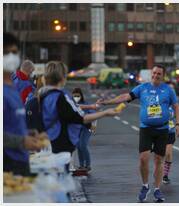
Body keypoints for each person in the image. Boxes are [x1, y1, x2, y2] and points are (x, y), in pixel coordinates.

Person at [98, 65, 179, 202]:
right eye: (154, 73)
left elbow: (176, 107)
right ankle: (145, 186)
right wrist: (107, 102)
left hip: (162, 129)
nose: (155, 75)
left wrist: (178, 124)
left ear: (163, 76)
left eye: (159, 74)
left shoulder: (168, 90)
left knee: (159, 160)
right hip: (146, 129)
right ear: (151, 74)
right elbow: (126, 96)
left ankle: (157, 189)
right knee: (143, 158)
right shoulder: (142, 88)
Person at [39, 61, 120, 155]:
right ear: (62, 77)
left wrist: (91, 106)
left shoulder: (41, 95)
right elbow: (80, 118)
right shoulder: (61, 97)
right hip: (61, 143)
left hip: (46, 140)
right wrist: (105, 113)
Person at [3, 32, 46, 176]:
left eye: (14, 52)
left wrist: (27, 133)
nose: (10, 56)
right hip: (7, 164)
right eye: (5, 52)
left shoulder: (12, 87)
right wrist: (22, 140)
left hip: (21, 161)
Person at [72, 88, 97, 173]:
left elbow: (94, 114)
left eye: (78, 96)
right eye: (74, 96)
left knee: (83, 145)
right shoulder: (71, 104)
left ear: (81, 96)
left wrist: (94, 126)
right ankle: (81, 165)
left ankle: (88, 165)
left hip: (87, 127)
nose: (76, 97)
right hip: (78, 128)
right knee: (79, 146)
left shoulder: (85, 104)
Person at [162, 82, 177, 184]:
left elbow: (178, 116)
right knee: (159, 155)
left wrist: (178, 125)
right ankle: (158, 172)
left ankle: (165, 175)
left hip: (170, 132)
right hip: (159, 131)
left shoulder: (175, 105)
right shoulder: (161, 102)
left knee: (168, 153)